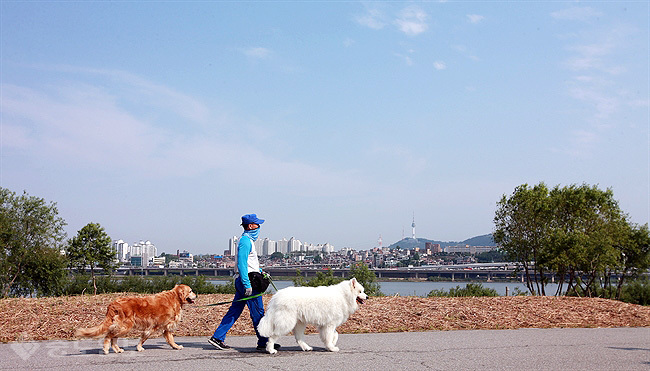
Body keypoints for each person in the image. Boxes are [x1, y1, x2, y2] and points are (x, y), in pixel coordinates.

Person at [208, 214, 280, 352]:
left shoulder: (246, 241)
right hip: (248, 281)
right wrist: (247, 284)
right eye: (257, 224)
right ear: (251, 226)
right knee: (258, 312)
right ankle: (264, 342)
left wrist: (260, 271)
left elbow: (248, 263)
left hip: (244, 279)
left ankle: (217, 337)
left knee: (235, 310)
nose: (259, 227)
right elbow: (241, 263)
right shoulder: (246, 241)